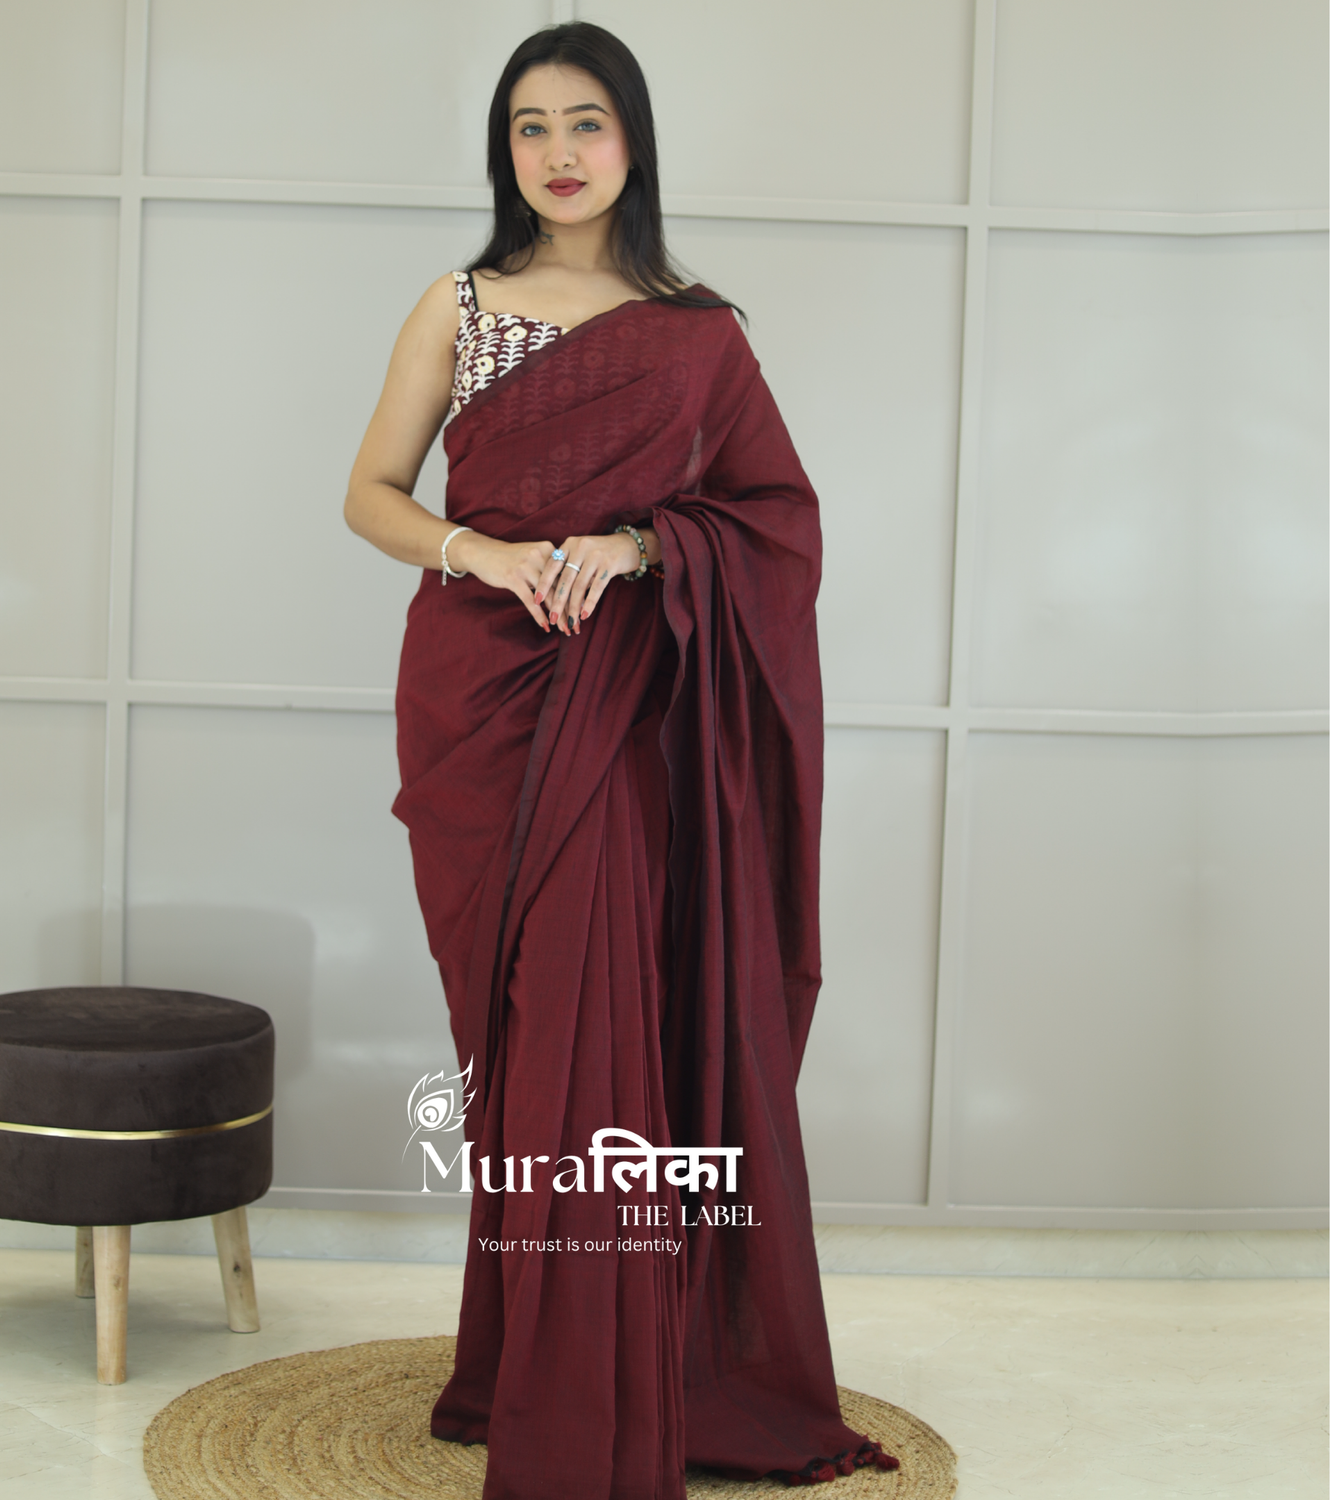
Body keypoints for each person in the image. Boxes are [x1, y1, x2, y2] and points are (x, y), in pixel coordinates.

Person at [345, 22, 899, 1500]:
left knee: (604, 1034)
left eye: (586, 121)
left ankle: (604, 1384)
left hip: (638, 714)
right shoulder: (460, 307)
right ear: (504, 150)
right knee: (523, 1044)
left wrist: (642, 546)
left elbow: (777, 520)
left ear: (634, 140)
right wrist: (481, 552)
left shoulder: (700, 334)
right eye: (529, 126)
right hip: (480, 707)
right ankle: (543, 1362)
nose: (559, 151)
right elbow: (372, 493)